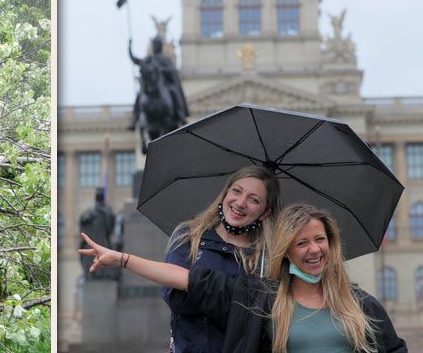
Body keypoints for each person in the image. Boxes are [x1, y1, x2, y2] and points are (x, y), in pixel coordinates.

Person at [79, 203, 407, 353]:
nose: (313, 250)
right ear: (287, 252)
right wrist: (121, 258)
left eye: (320, 240)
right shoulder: (261, 298)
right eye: (301, 243)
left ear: (331, 245)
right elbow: (189, 279)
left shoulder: (361, 305)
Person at [162, 165, 281, 352]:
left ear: (265, 213)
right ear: (225, 193)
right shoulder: (187, 235)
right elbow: (175, 297)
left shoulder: (269, 257)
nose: (241, 203)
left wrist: (196, 284)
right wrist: (234, 299)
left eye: (254, 199)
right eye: (237, 191)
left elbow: (264, 319)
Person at [129, 35, 189, 131]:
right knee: (140, 96)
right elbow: (136, 60)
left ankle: (180, 113)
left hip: (165, 85)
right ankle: (134, 118)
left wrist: (162, 70)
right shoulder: (149, 59)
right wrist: (129, 46)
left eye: (158, 44)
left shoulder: (165, 59)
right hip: (152, 87)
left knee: (174, 92)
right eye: (155, 44)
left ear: (161, 46)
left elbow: (172, 71)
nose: (156, 46)